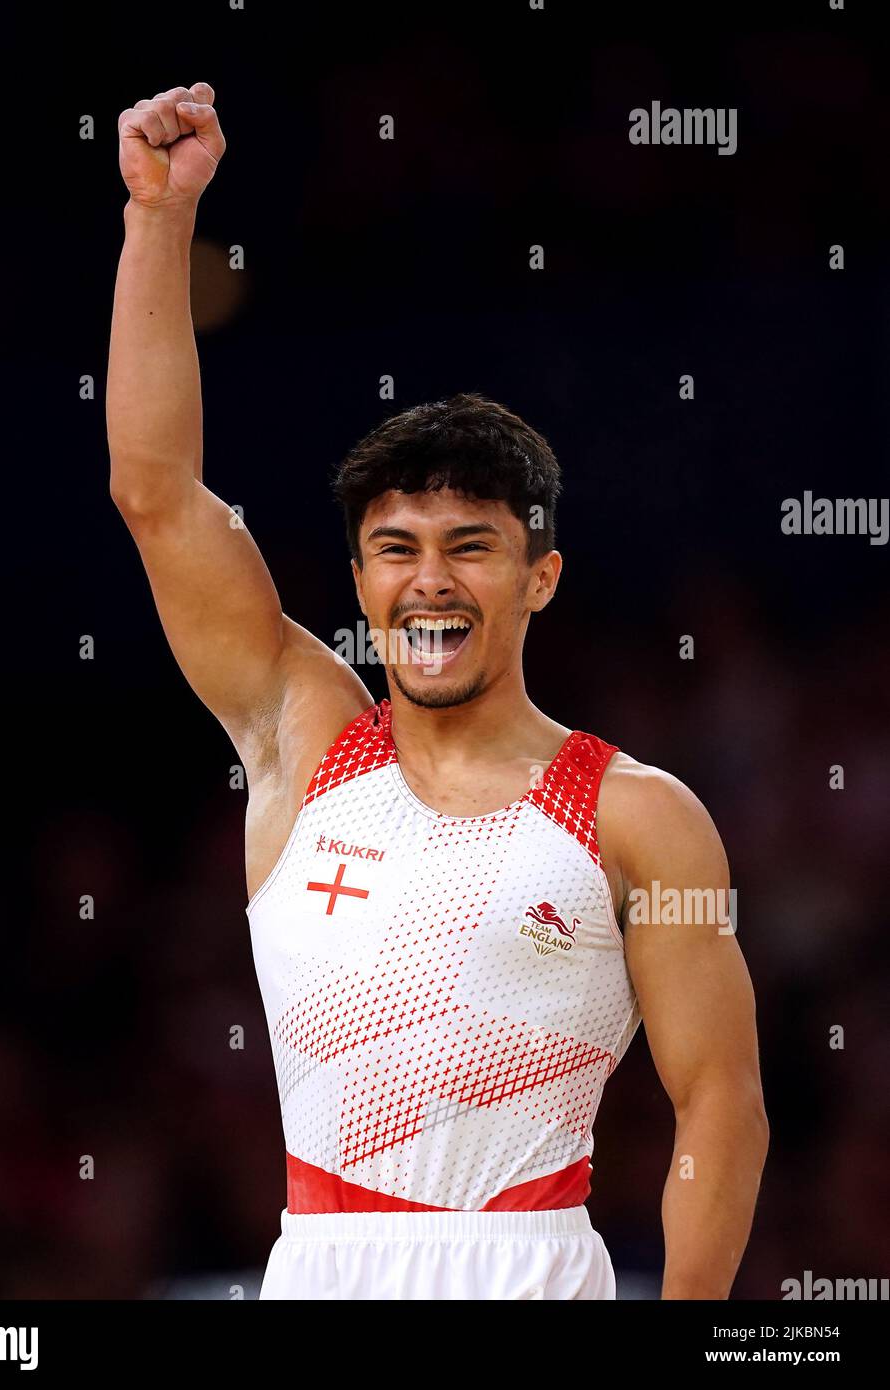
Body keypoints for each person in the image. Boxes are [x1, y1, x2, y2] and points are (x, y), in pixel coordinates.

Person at [108, 81, 769, 1300]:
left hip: (530, 1264)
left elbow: (719, 1098)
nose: (430, 582)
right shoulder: (302, 742)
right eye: (397, 549)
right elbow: (157, 494)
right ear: (359, 579)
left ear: (539, 577)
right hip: (315, 1263)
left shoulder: (639, 814)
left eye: (470, 546)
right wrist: (160, 220)